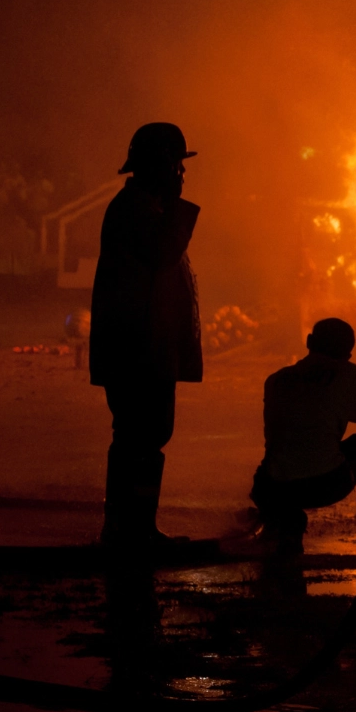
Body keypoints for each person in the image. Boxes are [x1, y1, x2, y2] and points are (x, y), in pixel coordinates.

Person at [89, 122, 203, 554]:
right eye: (177, 165)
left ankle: (133, 528)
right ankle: (129, 531)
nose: (181, 175)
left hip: (142, 347)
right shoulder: (137, 210)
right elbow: (162, 255)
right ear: (160, 165)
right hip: (137, 349)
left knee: (142, 436)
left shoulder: (140, 207)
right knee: (140, 436)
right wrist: (177, 209)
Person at [248, 318, 356, 556]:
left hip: (270, 488)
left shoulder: (276, 379)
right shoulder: (347, 376)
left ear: (309, 342)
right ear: (348, 354)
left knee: (292, 451)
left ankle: (279, 520)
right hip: (320, 486)